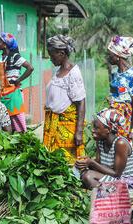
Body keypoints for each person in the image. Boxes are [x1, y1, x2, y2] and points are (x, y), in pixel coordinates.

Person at [43, 35, 86, 165]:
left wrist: (79, 132)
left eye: (52, 55)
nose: (50, 58)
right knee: (54, 163)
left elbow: (81, 102)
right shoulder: (59, 72)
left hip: (66, 128)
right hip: (54, 125)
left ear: (61, 53)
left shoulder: (73, 73)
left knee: (66, 163)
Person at [75, 109, 133, 190]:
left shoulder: (120, 143)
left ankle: (106, 198)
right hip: (115, 178)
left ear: (108, 130)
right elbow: (99, 164)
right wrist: (85, 163)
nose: (92, 130)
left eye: (96, 128)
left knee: (88, 176)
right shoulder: (100, 141)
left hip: (129, 182)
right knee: (82, 173)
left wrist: (91, 163)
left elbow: (116, 173)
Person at [107, 36, 133, 157]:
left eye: (110, 54)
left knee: (127, 150)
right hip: (113, 119)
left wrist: (132, 130)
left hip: (126, 121)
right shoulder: (115, 73)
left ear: (117, 56)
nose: (108, 57)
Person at [0, 32, 34, 133]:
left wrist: (18, 80)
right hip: (4, 93)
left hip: (14, 94)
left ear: (5, 44)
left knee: (18, 123)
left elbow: (30, 68)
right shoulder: (2, 58)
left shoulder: (15, 56)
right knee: (6, 123)